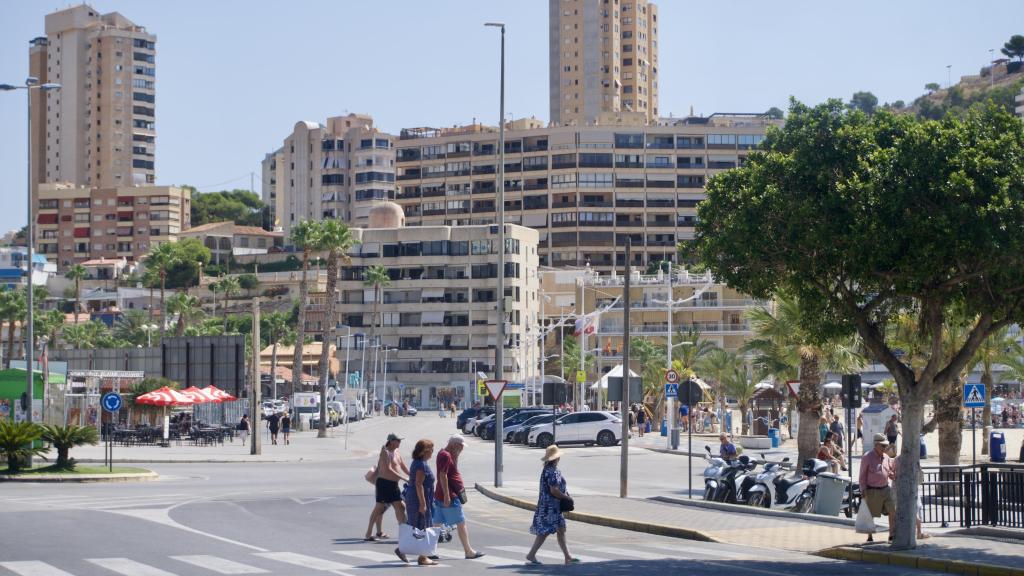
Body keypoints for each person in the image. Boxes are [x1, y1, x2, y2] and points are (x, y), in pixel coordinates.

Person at [525, 445, 579, 565]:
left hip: (548, 506)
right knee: (545, 531)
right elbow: (554, 490)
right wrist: (567, 498)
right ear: (557, 458)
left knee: (561, 529)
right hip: (551, 507)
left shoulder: (547, 470)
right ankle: (531, 554)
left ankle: (567, 556)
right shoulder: (554, 471)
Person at [434, 434, 484, 560]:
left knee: (437, 524)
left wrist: (455, 456)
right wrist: (447, 495)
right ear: (453, 444)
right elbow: (443, 475)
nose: (462, 449)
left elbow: (452, 471)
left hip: (442, 494)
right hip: (449, 495)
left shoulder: (446, 454)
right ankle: (468, 551)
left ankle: (429, 550)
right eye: (460, 446)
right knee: (461, 523)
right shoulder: (445, 455)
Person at [396, 439, 437, 565]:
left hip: (418, 498)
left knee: (419, 525)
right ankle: (413, 553)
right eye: (431, 450)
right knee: (421, 525)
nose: (432, 452)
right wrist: (423, 503)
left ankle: (421, 555)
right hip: (418, 499)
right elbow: (419, 484)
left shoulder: (419, 463)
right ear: (424, 451)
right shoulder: (421, 465)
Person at [365, 433, 409, 541]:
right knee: (379, 508)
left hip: (394, 485)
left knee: (401, 507)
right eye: (398, 440)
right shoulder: (385, 452)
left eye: (400, 440)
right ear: (391, 441)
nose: (400, 442)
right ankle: (368, 533)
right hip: (384, 484)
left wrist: (411, 475)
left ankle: (404, 533)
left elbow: (402, 465)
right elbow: (389, 468)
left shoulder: (397, 451)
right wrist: (404, 478)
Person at [859, 433, 896, 542]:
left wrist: (891, 475)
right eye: (882, 446)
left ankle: (891, 535)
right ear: (876, 445)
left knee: (892, 511)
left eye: (886, 446)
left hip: (885, 489)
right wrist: (863, 490)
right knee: (871, 514)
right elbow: (862, 476)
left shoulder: (886, 457)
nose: (885, 448)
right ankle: (870, 536)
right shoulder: (867, 457)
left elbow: (890, 470)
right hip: (872, 490)